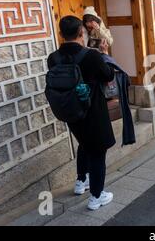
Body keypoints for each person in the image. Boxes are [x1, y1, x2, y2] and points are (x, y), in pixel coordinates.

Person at [47, 16, 115, 211]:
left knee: (84, 144)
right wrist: (105, 54)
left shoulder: (53, 58)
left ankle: (81, 182)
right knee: (98, 152)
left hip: (70, 110)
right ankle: (96, 196)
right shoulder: (91, 56)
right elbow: (108, 75)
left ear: (61, 34)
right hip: (93, 111)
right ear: (81, 33)